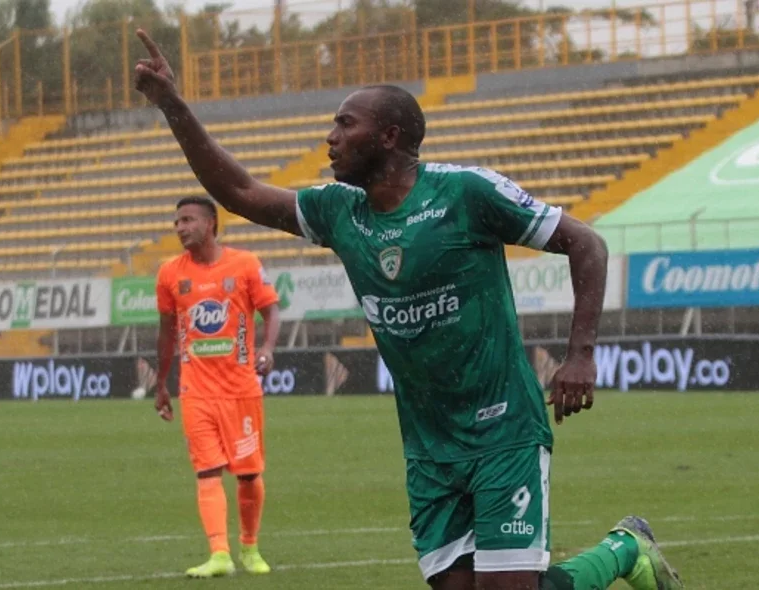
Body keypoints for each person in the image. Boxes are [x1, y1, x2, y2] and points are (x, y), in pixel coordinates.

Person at [134, 29, 682, 590]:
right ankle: (628, 549)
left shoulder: (467, 193)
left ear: (389, 136)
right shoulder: (337, 211)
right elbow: (241, 192)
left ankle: (623, 550)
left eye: (346, 124)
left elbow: (585, 243)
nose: (330, 137)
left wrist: (579, 357)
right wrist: (174, 106)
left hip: (503, 429)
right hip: (428, 444)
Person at [154, 196, 283, 577]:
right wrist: (162, 384)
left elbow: (271, 310)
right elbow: (166, 334)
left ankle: (249, 547)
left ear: (211, 223)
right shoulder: (169, 274)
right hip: (195, 391)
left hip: (241, 389)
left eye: (188, 220)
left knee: (248, 474)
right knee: (207, 471)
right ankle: (219, 555)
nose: (180, 227)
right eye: (176, 221)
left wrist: (268, 348)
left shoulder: (244, 265)